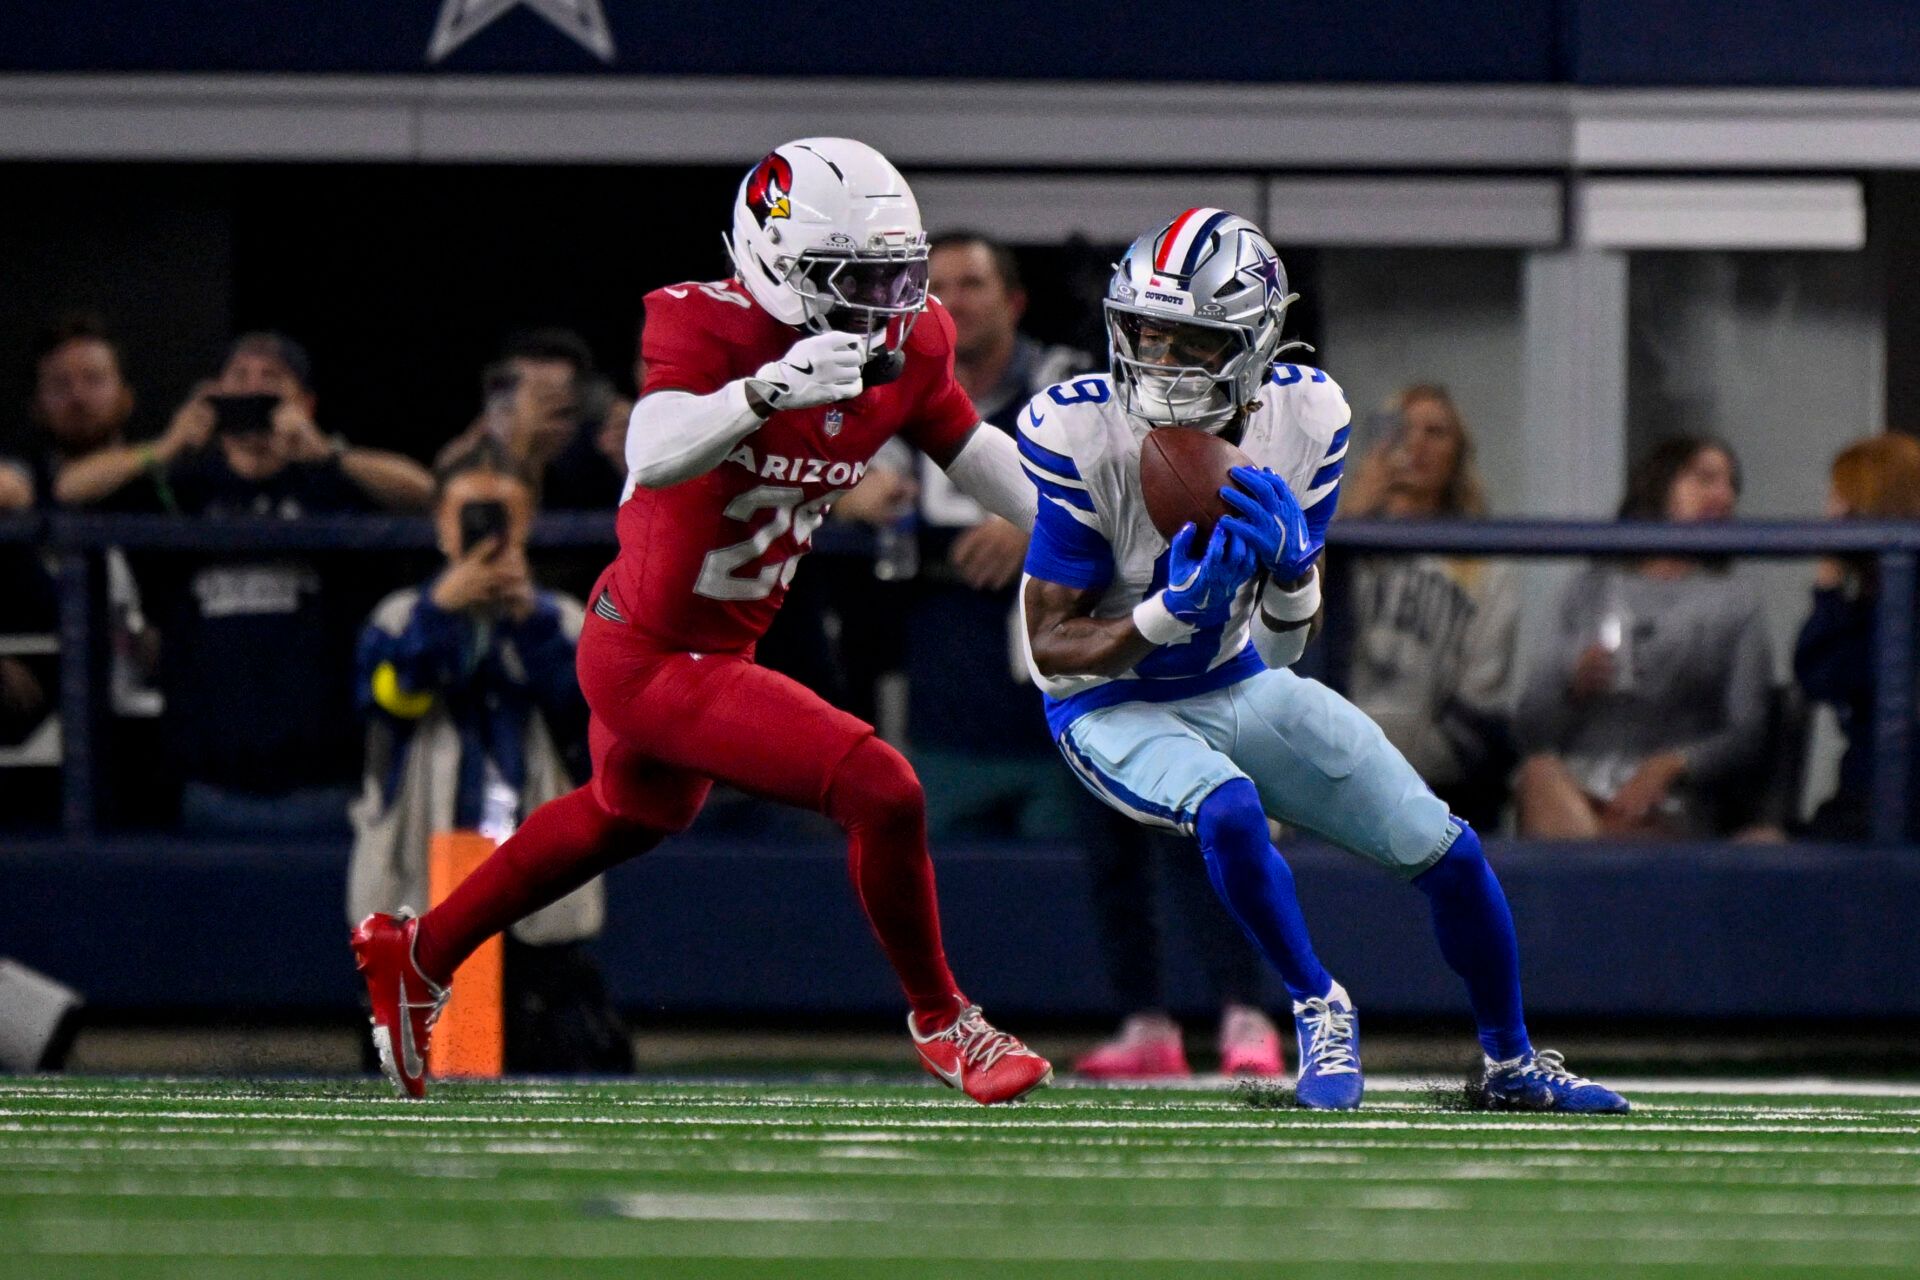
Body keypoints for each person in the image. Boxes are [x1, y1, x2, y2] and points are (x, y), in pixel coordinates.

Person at [352, 137, 1052, 1106]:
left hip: (714, 637)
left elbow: (967, 446)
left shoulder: (914, 338)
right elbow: (654, 448)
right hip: (648, 650)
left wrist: (1077, 531)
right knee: (882, 786)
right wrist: (765, 390)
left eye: (896, 272)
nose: (885, 301)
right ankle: (946, 1022)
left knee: (629, 811)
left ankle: (417, 952)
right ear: (772, 261)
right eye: (852, 276)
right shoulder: (706, 323)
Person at [1018, 207, 1627, 1112]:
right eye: (1145, 330)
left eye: (1189, 340)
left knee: (1450, 852)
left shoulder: (1308, 413)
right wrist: (1162, 612)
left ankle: (1512, 1062)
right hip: (1108, 703)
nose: (1156, 358)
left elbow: (1284, 645)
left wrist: (1295, 568)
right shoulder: (1078, 430)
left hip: (1236, 679)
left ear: (1252, 345)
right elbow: (1052, 651)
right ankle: (1316, 1001)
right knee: (1228, 809)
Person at [349, 443, 630, 1072]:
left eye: (499, 516)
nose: (484, 531)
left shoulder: (562, 621)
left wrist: (527, 620)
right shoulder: (399, 617)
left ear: (525, 522)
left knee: (557, 1058)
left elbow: (589, 724)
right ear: (442, 525)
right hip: (417, 868)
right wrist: (440, 613)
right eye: (469, 516)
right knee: (412, 1063)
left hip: (537, 881)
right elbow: (391, 703)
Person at [146, 333, 434, 834]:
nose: (254, 391)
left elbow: (427, 492)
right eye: (239, 379)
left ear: (304, 402)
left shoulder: (332, 480)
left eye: (272, 381)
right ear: (211, 395)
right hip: (209, 784)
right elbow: (71, 489)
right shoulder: (184, 485)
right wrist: (169, 444)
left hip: (323, 783)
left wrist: (323, 453)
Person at [1513, 437, 1771, 839]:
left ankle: (1600, 869)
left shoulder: (1736, 600)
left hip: (1671, 799)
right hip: (1578, 787)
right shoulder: (1589, 587)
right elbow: (1530, 726)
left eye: (1732, 486)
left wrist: (1672, 764)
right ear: (1661, 483)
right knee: (1538, 775)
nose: (1723, 495)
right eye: (1705, 478)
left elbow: (1748, 731)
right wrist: (1572, 685)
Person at [1339, 386, 1518, 829]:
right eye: (1403, 429)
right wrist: (1349, 519)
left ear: (1458, 453)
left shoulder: (1483, 565)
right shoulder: (1338, 542)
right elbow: (1292, 631)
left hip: (1437, 779)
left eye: (1435, 432)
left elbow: (1481, 708)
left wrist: (1388, 757)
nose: (1415, 444)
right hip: (1328, 751)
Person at [1794, 433, 1920, 841]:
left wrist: (1828, 586)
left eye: (1837, 498)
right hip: (1873, 801)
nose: (1827, 514)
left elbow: (1826, 675)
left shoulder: (1904, 597)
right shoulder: (1877, 596)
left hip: (1890, 814)